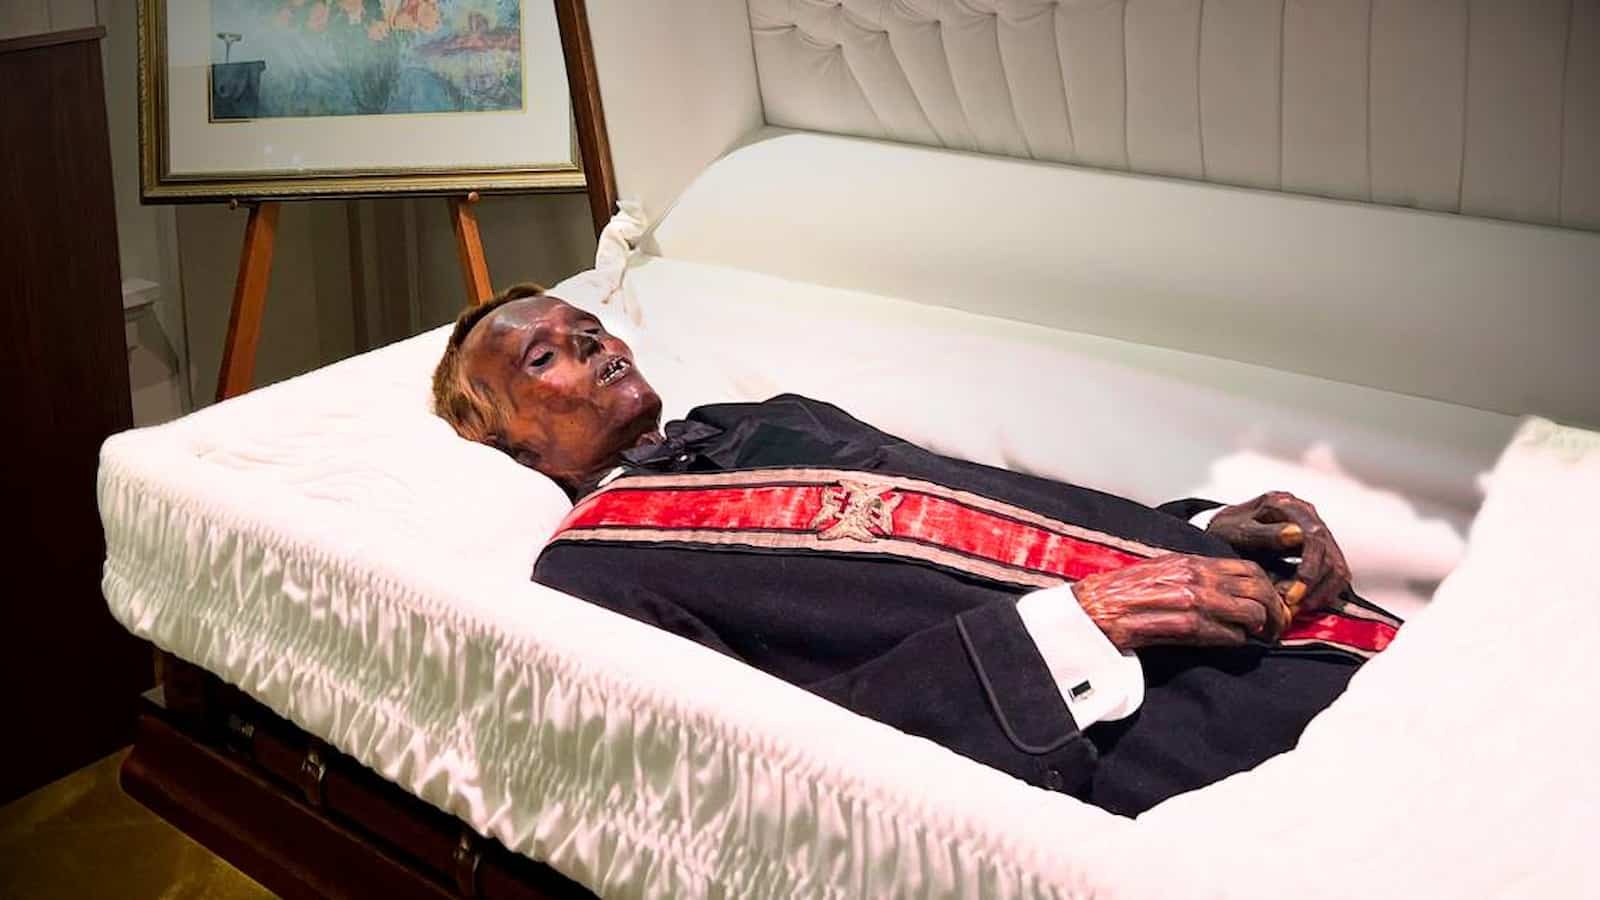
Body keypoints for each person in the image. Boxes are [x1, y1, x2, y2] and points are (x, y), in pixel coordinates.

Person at [432, 285, 1399, 816]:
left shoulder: (759, 418)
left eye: (590, 327)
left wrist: (1200, 527)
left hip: (1316, 626)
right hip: (1169, 734)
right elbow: (772, 763)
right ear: (511, 447)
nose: (596, 346)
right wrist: (1088, 624)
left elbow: (993, 502)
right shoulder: (591, 568)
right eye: (544, 357)